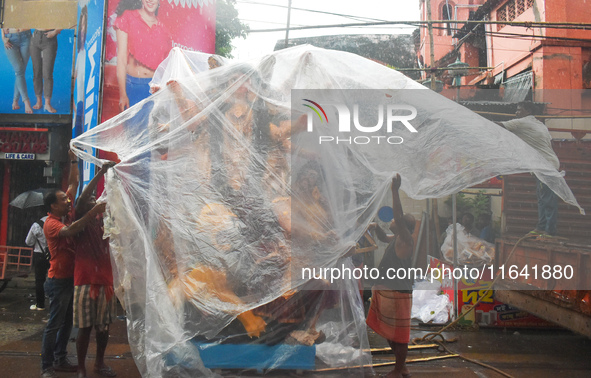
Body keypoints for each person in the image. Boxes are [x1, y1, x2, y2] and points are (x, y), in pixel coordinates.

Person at [40, 150, 107, 378]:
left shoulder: (66, 212)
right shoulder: (52, 224)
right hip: (58, 279)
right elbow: (72, 230)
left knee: (68, 323)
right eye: (63, 200)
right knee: (55, 324)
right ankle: (46, 366)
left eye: (67, 198)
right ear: (52, 206)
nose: (68, 201)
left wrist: (73, 158)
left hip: (72, 279)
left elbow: (74, 182)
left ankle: (60, 359)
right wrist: (92, 213)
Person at [366, 174, 416, 378]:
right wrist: (376, 227)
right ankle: (401, 364)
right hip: (387, 291)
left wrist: (395, 191)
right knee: (390, 331)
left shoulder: (406, 240)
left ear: (403, 227)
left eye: (397, 220)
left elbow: (398, 212)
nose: (393, 220)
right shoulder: (396, 238)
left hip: (398, 292)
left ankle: (398, 368)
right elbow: (382, 237)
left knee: (400, 334)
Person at [73, 162, 117, 378]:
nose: (94, 202)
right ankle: (81, 367)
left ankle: (99, 363)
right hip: (85, 280)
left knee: (104, 327)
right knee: (84, 327)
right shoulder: (80, 222)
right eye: (91, 201)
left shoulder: (105, 221)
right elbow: (82, 200)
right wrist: (101, 171)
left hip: (106, 280)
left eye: (96, 200)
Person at [498, 101, 561, 237]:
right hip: (543, 165)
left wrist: (478, 120)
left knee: (547, 199)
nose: (516, 113)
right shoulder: (538, 123)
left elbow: (499, 126)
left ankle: (549, 230)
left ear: (527, 111)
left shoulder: (523, 122)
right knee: (542, 198)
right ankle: (541, 226)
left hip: (545, 166)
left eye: (519, 110)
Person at [114, 0, 172, 112]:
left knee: (154, 128)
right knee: (132, 128)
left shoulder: (164, 30)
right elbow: (121, 60)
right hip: (133, 87)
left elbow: (166, 67)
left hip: (156, 89)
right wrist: (123, 94)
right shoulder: (128, 17)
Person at [1, 28, 33, 113]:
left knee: (20, 72)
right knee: (19, 70)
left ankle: (15, 101)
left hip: (26, 36)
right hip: (10, 38)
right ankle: (26, 101)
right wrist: (3, 37)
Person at [30, 28, 61, 113]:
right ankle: (39, 101)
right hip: (35, 37)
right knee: (36, 72)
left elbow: (64, 21)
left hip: (49, 38)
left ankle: (47, 104)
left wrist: (55, 32)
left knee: (47, 73)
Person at [25, 215, 50, 310]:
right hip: (53, 254)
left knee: (40, 280)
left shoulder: (36, 225)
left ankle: (40, 304)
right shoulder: (56, 223)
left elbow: (28, 242)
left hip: (40, 255)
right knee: (56, 277)